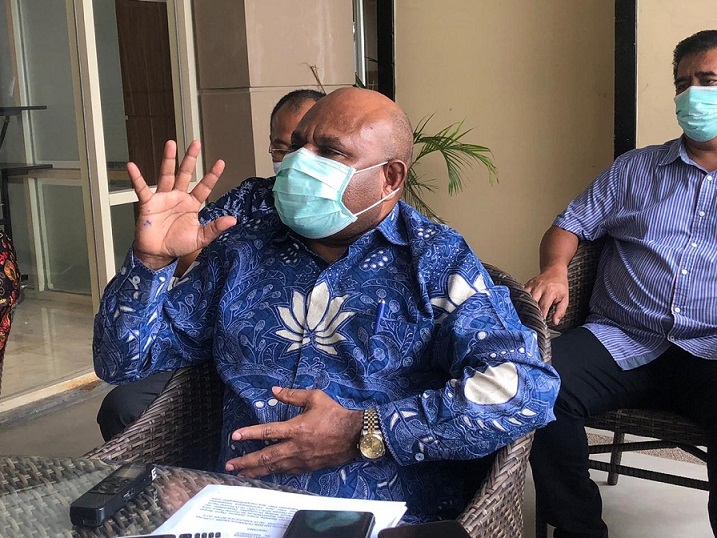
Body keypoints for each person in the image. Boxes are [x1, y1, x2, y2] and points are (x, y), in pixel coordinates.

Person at [93, 87, 559, 522]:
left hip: (377, 518)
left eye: (331, 152)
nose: (299, 163)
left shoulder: (434, 261)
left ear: (390, 177)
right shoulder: (243, 246)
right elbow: (122, 361)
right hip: (237, 508)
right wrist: (150, 263)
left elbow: (523, 389)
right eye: (296, 146)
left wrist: (366, 430)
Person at [526, 29, 717, 538]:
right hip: (623, 336)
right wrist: (555, 268)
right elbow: (570, 225)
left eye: (709, 80)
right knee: (537, 385)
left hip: (711, 349)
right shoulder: (635, 169)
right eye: (683, 83)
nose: (693, 95)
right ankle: (579, 529)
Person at [96, 89, 324, 441]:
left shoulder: (402, 250)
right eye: (282, 149)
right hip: (221, 356)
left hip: (317, 402)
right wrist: (157, 256)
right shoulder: (253, 202)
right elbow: (193, 246)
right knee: (123, 405)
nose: (294, 162)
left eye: (311, 149)